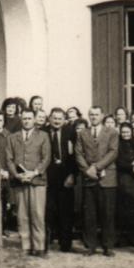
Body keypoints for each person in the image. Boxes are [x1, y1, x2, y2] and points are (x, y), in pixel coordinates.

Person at [75, 106, 118, 256]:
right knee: (90, 214)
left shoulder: (111, 132)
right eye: (91, 114)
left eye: (96, 114)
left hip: (107, 178)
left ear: (102, 116)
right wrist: (87, 170)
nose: (93, 117)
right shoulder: (82, 133)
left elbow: (113, 152)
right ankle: (91, 246)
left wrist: (97, 167)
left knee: (107, 213)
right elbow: (78, 153)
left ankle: (108, 246)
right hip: (89, 178)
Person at [10, 109, 50, 256]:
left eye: (29, 118)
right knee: (22, 215)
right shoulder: (13, 137)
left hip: (37, 181)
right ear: (21, 120)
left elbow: (46, 158)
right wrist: (17, 175)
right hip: (20, 181)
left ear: (34, 120)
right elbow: (9, 158)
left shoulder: (43, 136)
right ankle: (25, 246)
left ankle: (39, 247)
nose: (27, 121)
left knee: (38, 214)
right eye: (24, 118)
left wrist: (34, 173)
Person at [44, 108, 78, 253]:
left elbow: (76, 155)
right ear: (50, 119)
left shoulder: (70, 131)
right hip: (48, 177)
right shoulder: (44, 132)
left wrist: (72, 175)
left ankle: (66, 244)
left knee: (66, 210)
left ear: (64, 119)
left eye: (59, 118)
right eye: (54, 118)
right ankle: (47, 241)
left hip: (66, 176)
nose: (57, 121)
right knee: (49, 210)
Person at [113, 121, 134, 248]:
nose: (125, 134)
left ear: (132, 132)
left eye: (128, 132)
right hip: (123, 178)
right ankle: (122, 238)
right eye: (123, 132)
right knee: (123, 209)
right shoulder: (117, 144)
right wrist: (132, 167)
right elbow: (118, 161)